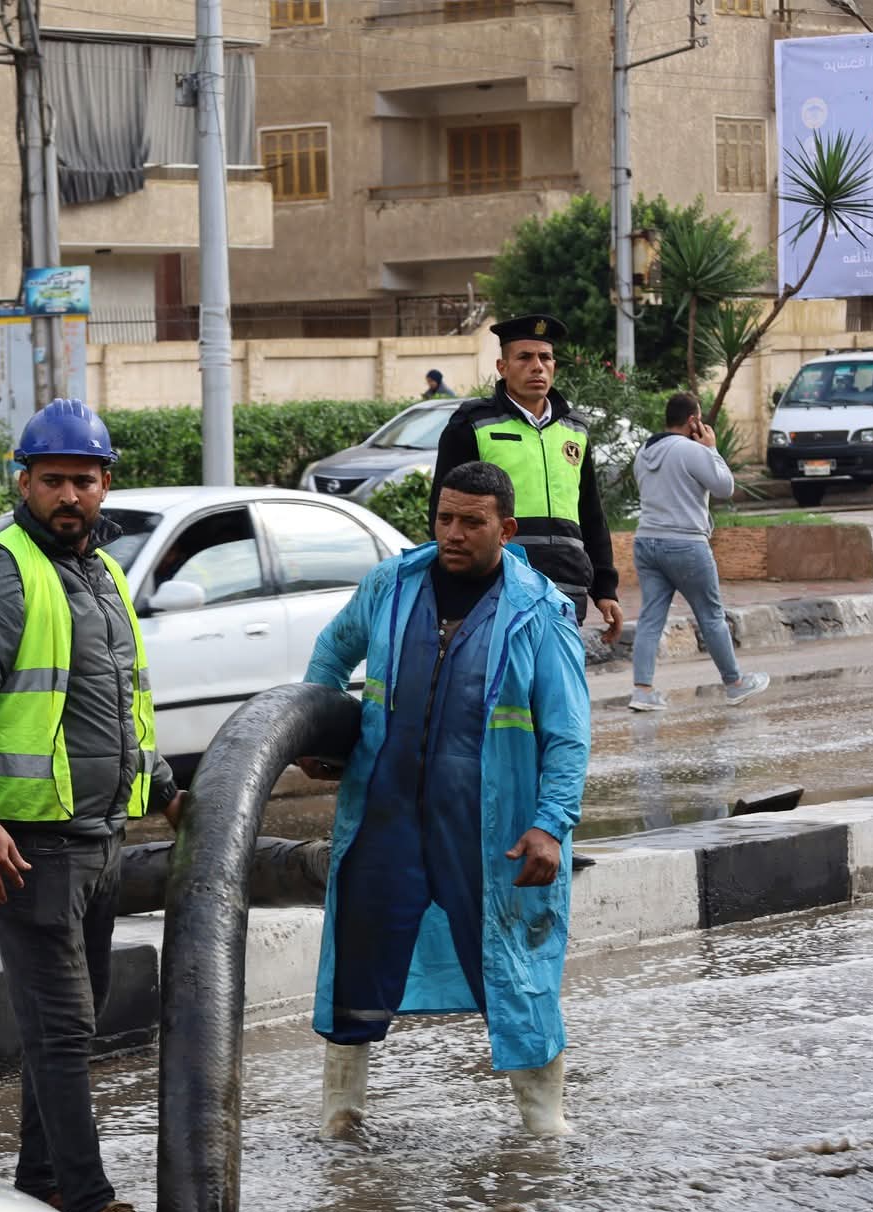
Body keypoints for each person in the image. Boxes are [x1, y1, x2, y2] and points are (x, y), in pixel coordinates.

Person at [0, 397, 184, 1212]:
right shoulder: (1, 571)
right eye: (53, 480)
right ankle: (92, 1201)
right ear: (25, 481)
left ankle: (39, 1182)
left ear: (105, 482)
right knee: (66, 1024)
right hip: (27, 846)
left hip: (99, 838)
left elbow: (125, 702)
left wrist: (167, 787)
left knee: (66, 1021)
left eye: (83, 478)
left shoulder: (104, 575)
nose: (68, 494)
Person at [299, 460, 591, 1138]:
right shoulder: (391, 585)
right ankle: (340, 1122)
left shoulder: (539, 613)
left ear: (505, 528)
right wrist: (315, 731)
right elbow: (331, 652)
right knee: (357, 956)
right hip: (385, 818)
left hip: (493, 835)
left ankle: (546, 1131)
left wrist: (551, 824)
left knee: (515, 970)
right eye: (444, 517)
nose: (453, 533)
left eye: (471, 522)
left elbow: (569, 735)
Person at [429, 313, 623, 645]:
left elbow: (590, 512)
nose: (537, 366)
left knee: (557, 692)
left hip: (564, 589)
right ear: (502, 367)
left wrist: (605, 589)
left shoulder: (574, 429)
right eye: (525, 357)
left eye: (545, 357)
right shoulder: (472, 424)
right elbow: (442, 511)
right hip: (497, 587)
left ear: (554, 366)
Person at [628, 394, 769, 711]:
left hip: (647, 541)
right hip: (686, 543)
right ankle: (734, 683)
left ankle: (642, 691)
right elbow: (725, 487)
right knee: (711, 616)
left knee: (651, 618)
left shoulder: (644, 452)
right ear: (693, 421)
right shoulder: (691, 450)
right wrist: (712, 450)